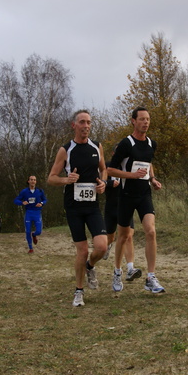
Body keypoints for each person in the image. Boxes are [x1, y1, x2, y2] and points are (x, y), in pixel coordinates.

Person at [47, 109, 108, 307]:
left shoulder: (97, 146)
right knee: (81, 251)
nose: (86, 126)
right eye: (82, 122)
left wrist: (103, 183)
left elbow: (104, 169)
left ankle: (90, 266)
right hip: (73, 207)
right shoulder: (66, 150)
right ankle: (79, 291)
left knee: (102, 246)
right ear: (74, 125)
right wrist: (67, 179)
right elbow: (51, 178)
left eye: (89, 122)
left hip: (92, 206)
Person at [107, 106, 164, 294]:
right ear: (133, 121)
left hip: (144, 194)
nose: (145, 122)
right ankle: (117, 271)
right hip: (126, 196)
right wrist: (131, 175)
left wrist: (153, 179)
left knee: (151, 231)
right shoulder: (126, 144)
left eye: (148, 119)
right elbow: (111, 170)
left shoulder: (151, 144)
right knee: (123, 236)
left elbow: (149, 164)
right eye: (142, 119)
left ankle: (151, 277)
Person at [104, 148, 141, 282]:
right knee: (110, 238)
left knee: (128, 236)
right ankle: (107, 246)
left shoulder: (128, 168)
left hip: (125, 206)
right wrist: (109, 183)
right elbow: (97, 183)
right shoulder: (107, 166)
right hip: (111, 207)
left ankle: (130, 268)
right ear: (114, 154)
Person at [14, 175, 47, 253]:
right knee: (27, 231)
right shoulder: (24, 191)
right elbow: (16, 200)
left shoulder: (40, 191)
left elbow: (45, 200)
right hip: (28, 212)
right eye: (31, 180)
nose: (33, 181)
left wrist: (41, 203)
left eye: (34, 180)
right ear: (28, 181)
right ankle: (30, 248)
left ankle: (34, 235)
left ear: (36, 182)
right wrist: (22, 202)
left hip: (37, 212)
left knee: (39, 231)